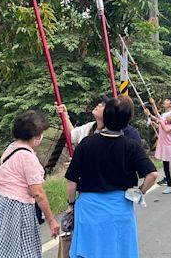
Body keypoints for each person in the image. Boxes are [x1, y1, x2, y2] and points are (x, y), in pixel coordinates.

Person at [65, 97, 158, 258]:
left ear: (105, 117)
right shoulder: (131, 146)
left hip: (89, 209)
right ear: (127, 121)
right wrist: (139, 192)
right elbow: (152, 174)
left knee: (89, 252)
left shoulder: (86, 144)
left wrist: (71, 204)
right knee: (119, 251)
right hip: (119, 207)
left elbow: (71, 181)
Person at [0, 110, 60, 258]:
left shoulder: (12, 147)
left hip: (1, 203)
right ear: (35, 136)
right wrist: (51, 220)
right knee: (22, 249)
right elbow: (38, 193)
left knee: (2, 246)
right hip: (17, 207)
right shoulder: (27, 157)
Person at [56, 94, 141, 146]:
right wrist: (65, 116)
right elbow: (72, 135)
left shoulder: (128, 134)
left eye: (104, 105)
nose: (99, 104)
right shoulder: (90, 127)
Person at [150, 111, 171, 195]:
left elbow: (165, 129)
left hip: (170, 148)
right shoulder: (164, 123)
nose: (167, 116)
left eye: (169, 116)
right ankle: (169, 186)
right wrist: (155, 124)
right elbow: (161, 127)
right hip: (164, 148)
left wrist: (159, 120)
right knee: (166, 167)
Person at [156, 97, 171, 186]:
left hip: (169, 146)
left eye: (167, 101)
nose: (164, 101)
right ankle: (168, 183)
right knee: (165, 164)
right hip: (164, 144)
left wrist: (159, 120)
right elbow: (160, 123)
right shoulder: (165, 116)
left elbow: (165, 128)